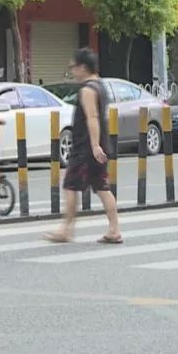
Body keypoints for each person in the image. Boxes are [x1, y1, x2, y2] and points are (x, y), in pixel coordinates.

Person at [44, 48, 122, 244]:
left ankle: (66, 230)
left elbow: (92, 117)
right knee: (103, 187)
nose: (72, 71)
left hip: (85, 148)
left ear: (83, 67)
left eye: (73, 67)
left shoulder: (87, 90)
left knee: (70, 185)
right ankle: (114, 229)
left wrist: (94, 146)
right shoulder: (101, 86)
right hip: (99, 146)